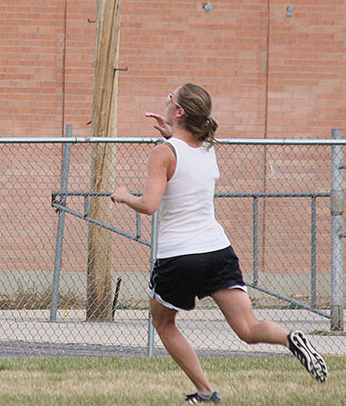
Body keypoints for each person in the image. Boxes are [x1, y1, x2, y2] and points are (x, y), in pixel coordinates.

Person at [110, 83, 328, 403]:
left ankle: (206, 392)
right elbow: (185, 158)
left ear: (180, 112)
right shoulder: (207, 148)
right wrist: (170, 136)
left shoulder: (163, 152)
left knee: (163, 323)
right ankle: (290, 338)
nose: (166, 104)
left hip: (178, 256)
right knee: (248, 328)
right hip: (217, 250)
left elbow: (150, 205)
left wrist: (124, 195)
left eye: (171, 101)